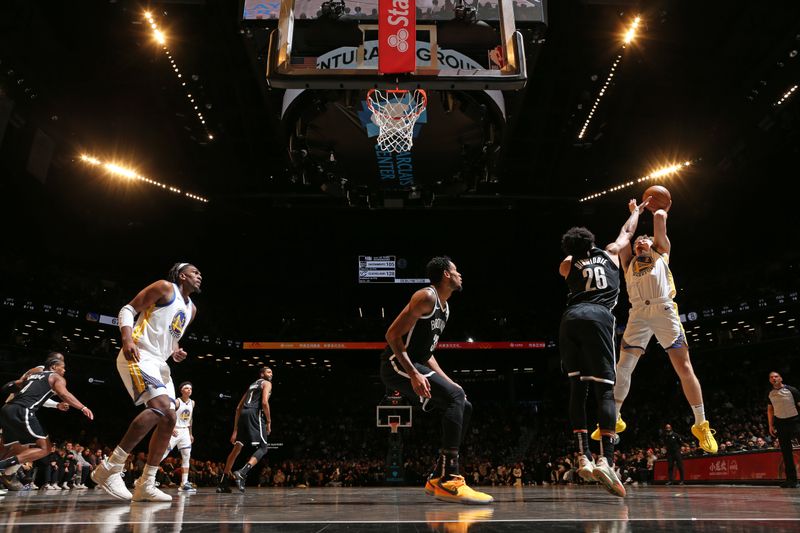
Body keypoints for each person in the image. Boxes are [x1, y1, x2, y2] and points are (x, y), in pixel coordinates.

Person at [602, 205, 718, 454]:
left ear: (653, 242)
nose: (639, 243)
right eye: (637, 242)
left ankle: (701, 425)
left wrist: (655, 207)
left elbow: (660, 217)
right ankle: (616, 416)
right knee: (622, 366)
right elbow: (624, 236)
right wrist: (634, 212)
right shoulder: (628, 262)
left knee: (684, 367)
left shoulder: (661, 253)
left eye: (644, 240)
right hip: (638, 314)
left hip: (663, 310)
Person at [380, 256, 492, 505]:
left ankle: (436, 477)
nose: (460, 274)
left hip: (416, 363)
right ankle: (449, 477)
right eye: (456, 270)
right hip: (395, 364)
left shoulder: (445, 307)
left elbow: (427, 353)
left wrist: (450, 382)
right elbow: (392, 335)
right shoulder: (426, 297)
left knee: (463, 403)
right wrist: (413, 374)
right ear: (445, 275)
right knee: (455, 398)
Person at [558, 198, 650, 498]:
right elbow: (626, 233)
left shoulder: (568, 263)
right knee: (605, 390)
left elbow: (565, 268)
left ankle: (583, 457)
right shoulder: (610, 253)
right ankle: (606, 460)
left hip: (570, 319)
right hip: (599, 318)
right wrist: (636, 213)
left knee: (576, 388)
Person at [92, 262, 200, 503]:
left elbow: (171, 335)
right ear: (182, 275)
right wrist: (126, 338)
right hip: (139, 352)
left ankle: (146, 483)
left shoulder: (192, 309)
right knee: (161, 407)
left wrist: (176, 351)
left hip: (160, 363)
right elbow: (128, 309)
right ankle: (110, 467)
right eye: (195, 272)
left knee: (170, 418)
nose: (199, 276)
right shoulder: (164, 288)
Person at [0, 357, 94, 474]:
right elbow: (64, 394)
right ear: (54, 367)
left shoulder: (32, 375)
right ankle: (3, 465)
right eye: (63, 367)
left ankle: (5, 470)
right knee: (45, 448)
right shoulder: (56, 377)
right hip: (22, 410)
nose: (64, 370)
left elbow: (7, 387)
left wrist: (18, 382)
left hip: (6, 409)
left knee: (7, 447)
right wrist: (82, 407)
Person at [217, 366, 273, 493]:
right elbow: (264, 402)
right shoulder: (267, 383)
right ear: (262, 374)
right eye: (268, 372)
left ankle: (223, 482)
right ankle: (242, 472)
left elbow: (238, 407)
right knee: (263, 448)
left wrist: (235, 430)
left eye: (271, 372)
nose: (271, 374)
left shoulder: (252, 385)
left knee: (237, 448)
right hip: (254, 414)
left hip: (243, 414)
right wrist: (269, 421)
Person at [161, 381, 196, 493]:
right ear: (181, 390)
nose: (189, 390)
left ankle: (184, 483)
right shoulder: (176, 402)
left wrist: (190, 433)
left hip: (185, 431)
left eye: (190, 388)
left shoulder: (193, 403)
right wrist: (171, 429)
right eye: (186, 388)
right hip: (175, 430)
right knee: (163, 454)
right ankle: (145, 477)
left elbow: (190, 419)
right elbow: (167, 415)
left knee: (186, 457)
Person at [767, 371, 800, 488]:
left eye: (776, 376)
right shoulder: (770, 393)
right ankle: (791, 480)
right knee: (786, 452)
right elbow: (770, 410)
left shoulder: (792, 390)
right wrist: (771, 425)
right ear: (769, 380)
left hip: (795, 421)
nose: (773, 378)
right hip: (780, 423)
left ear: (781, 378)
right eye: (771, 377)